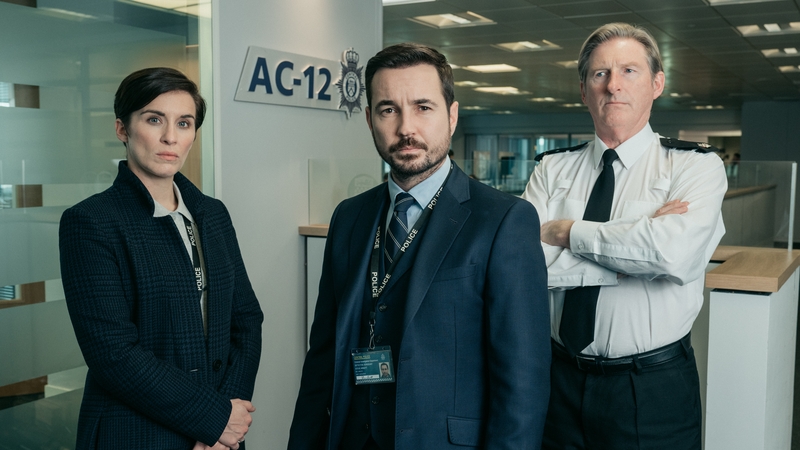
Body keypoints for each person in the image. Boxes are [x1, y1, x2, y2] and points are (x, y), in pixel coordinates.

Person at [288, 43, 550, 450]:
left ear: (452, 115)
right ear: (370, 119)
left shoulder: (503, 220)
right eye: (388, 109)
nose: (406, 127)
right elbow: (322, 358)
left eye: (423, 107)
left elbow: (523, 383)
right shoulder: (349, 218)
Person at [522, 23, 727, 450]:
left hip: (651, 388)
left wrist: (568, 232)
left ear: (656, 84)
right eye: (600, 74)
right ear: (584, 90)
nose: (613, 85)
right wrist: (637, 246)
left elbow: (672, 254)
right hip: (558, 378)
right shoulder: (551, 169)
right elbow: (522, 263)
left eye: (629, 71)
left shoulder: (694, 167)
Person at [59, 67, 264, 450]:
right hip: (135, 432)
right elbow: (113, 354)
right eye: (155, 119)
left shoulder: (212, 214)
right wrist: (214, 419)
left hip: (220, 436)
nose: (171, 136)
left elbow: (247, 321)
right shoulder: (91, 222)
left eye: (184, 123)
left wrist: (228, 419)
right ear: (123, 129)